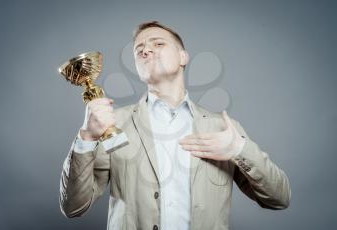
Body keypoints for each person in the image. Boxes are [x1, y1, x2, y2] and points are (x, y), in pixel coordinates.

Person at [59, 21, 291, 230]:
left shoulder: (223, 129)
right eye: (139, 50)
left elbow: (279, 199)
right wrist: (87, 137)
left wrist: (240, 150)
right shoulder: (113, 123)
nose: (146, 50)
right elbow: (74, 207)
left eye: (158, 44)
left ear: (183, 57)